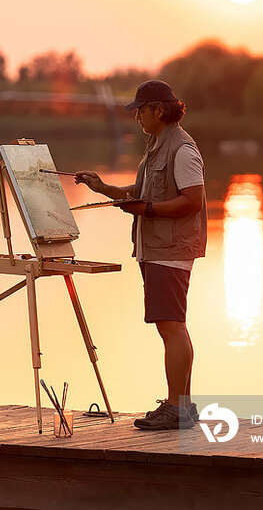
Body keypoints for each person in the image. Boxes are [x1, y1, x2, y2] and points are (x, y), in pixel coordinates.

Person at [75, 79, 207, 431]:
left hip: (170, 250)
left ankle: (177, 408)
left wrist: (146, 209)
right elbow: (143, 193)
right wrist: (104, 188)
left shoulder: (182, 150)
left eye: (141, 111)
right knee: (173, 327)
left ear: (159, 111)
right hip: (158, 249)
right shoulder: (157, 145)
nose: (138, 118)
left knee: (171, 327)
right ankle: (182, 405)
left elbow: (193, 200)